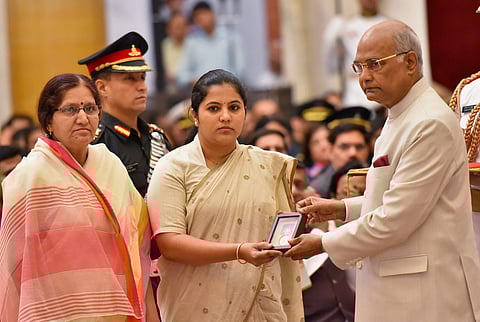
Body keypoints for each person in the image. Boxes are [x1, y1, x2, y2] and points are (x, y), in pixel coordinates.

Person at [285, 20, 480, 321]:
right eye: (358, 66)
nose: (364, 77)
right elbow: (398, 198)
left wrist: (322, 243)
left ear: (410, 62)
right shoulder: (402, 115)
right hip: (402, 287)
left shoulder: (428, 123)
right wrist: (340, 209)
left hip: (425, 295)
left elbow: (397, 217)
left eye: (374, 64)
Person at [146, 69, 304, 321]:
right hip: (196, 307)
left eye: (234, 107)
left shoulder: (269, 166)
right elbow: (170, 243)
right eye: (213, 108)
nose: (225, 116)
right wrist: (239, 251)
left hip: (262, 305)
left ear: (245, 114)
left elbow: (281, 235)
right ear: (194, 116)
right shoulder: (174, 167)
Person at [0, 73, 157, 321]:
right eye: (70, 109)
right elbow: (12, 263)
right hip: (55, 311)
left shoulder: (110, 164)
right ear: (48, 120)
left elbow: (138, 237)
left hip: (113, 307)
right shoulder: (29, 176)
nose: (83, 118)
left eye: (90, 109)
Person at [78, 31, 171, 197]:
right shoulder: (94, 142)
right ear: (102, 87)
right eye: (130, 79)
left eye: (142, 77)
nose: (142, 86)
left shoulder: (156, 137)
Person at [322, 0, 386, 110]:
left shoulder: (387, 24)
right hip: (354, 92)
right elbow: (331, 65)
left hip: (381, 88)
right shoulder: (346, 26)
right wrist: (331, 38)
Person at [176, 1, 245, 88]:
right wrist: (194, 80)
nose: (201, 18)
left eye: (204, 14)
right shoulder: (192, 42)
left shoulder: (230, 38)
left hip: (226, 89)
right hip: (201, 92)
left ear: (212, 14)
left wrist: (222, 81)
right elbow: (182, 75)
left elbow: (240, 70)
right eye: (197, 15)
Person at [310, 121, 370, 198]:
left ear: (368, 150)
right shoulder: (318, 190)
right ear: (330, 150)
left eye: (359, 147)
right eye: (344, 147)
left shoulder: (379, 181)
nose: (353, 153)